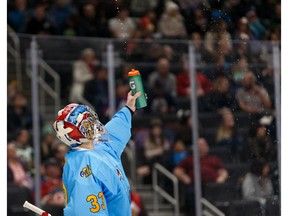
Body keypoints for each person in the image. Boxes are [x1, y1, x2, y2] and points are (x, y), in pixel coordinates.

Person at [53, 90, 141, 216]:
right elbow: (86, 211)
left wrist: (129, 108)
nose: (94, 123)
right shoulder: (84, 169)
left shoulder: (98, 145)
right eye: (89, 122)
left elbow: (115, 132)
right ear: (82, 132)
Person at [173, 137, 228, 215]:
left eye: (203, 145)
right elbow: (177, 170)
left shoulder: (213, 159)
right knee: (191, 194)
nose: (202, 147)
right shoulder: (189, 159)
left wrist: (222, 177)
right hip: (195, 185)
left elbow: (223, 171)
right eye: (199, 145)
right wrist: (184, 177)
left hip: (211, 185)